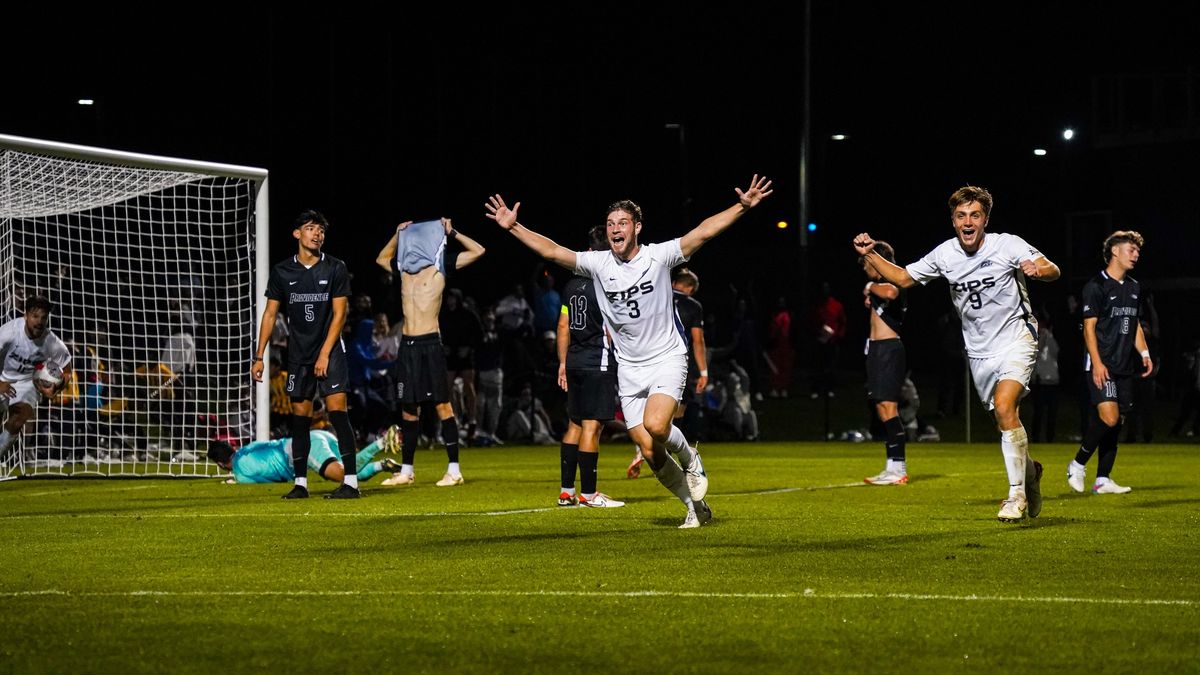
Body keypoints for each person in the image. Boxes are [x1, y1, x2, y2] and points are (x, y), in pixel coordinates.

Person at [486, 174, 773, 528]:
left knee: (656, 425)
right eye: (610, 224)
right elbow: (552, 250)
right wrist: (514, 227)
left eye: (622, 223)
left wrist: (742, 207)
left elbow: (704, 232)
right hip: (629, 368)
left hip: (667, 357)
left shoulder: (658, 257)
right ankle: (693, 507)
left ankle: (691, 457)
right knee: (652, 453)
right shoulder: (598, 264)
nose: (615, 229)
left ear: (637, 227)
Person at [853, 185, 1059, 522]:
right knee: (1004, 421)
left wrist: (1039, 269)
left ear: (985, 220)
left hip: (1016, 337)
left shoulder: (1007, 244)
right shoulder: (945, 254)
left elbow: (1051, 267)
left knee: (1007, 406)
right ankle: (1031, 473)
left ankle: (1016, 495)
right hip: (979, 351)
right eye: (961, 215)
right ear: (953, 220)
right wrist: (869, 254)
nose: (968, 221)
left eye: (975, 215)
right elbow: (904, 278)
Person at [252, 210, 361, 499]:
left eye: (321, 230)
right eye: (311, 228)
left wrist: (325, 353)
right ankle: (301, 484)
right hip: (298, 356)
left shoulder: (335, 268)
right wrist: (259, 356)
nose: (317, 234)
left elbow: (340, 315)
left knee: (338, 414)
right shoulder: (282, 272)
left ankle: (350, 482)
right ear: (297, 233)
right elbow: (270, 314)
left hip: (331, 351)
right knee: (300, 419)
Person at [374, 217, 485, 487]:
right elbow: (380, 259)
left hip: (430, 344)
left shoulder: (439, 268)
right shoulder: (403, 271)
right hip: (408, 346)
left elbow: (478, 251)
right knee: (409, 410)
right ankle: (407, 471)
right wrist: (397, 233)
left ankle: (454, 470)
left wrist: (452, 231)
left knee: (442, 406)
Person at [1066, 231, 1152, 495]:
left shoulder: (1134, 287)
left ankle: (1103, 479)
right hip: (1102, 364)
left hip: (1124, 365)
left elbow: (1134, 323)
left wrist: (1145, 354)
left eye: (1138, 251)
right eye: (1131, 249)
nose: (1136, 255)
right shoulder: (1096, 286)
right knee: (1109, 417)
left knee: (1118, 422)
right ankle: (1077, 463)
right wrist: (1097, 362)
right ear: (1114, 251)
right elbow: (1088, 328)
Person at [556, 225, 624, 508]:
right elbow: (612, 328)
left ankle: (566, 491)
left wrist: (561, 363)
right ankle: (589, 494)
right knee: (591, 427)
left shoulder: (571, 285)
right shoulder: (607, 283)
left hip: (573, 361)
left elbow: (562, 326)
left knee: (574, 424)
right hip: (598, 361)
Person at [627, 267, 709, 478]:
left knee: (647, 414)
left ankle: (644, 451)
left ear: (674, 284)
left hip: (645, 360)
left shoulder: (653, 296)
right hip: (675, 362)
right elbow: (698, 341)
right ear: (690, 288)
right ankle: (671, 456)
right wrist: (703, 371)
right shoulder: (693, 306)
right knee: (674, 414)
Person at [858, 241, 910, 486]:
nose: (865, 268)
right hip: (878, 351)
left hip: (889, 351)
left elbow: (891, 292)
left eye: (868, 263)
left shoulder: (893, 281)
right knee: (882, 409)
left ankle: (898, 468)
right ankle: (892, 466)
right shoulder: (880, 287)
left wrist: (869, 287)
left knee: (889, 409)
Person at [0, 295, 73, 457]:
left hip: (28, 381)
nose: (39, 321)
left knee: (18, 419)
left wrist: (56, 389)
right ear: (25, 316)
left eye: (43, 317)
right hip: (2, 376)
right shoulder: (8, 332)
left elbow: (67, 370)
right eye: (35, 316)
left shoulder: (52, 342)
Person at [207, 426, 403, 485]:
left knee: (344, 476)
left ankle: (382, 441)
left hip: (305, 450)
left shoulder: (241, 473)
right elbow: (270, 444)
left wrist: (235, 481)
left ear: (221, 464)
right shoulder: (248, 447)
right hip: (314, 435)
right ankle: (382, 465)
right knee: (352, 477)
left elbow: (268, 481)